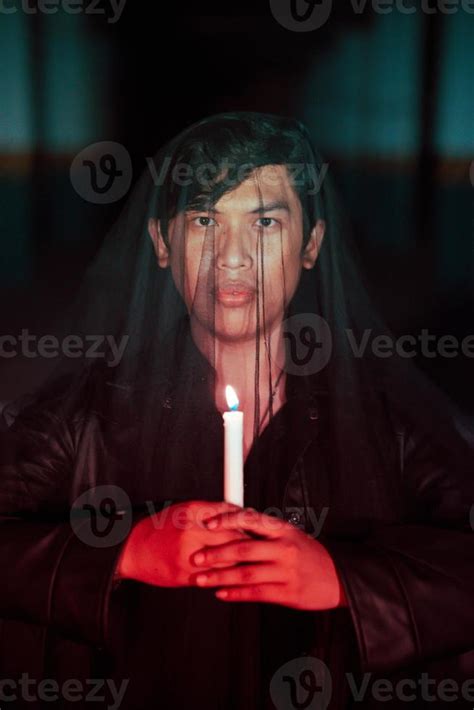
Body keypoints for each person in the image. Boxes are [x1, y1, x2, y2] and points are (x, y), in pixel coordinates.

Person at [1, 111, 474, 710]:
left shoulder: (389, 417)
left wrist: (346, 581)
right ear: (162, 243)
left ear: (311, 245)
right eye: (204, 219)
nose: (231, 258)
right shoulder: (87, 411)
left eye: (266, 222)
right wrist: (124, 554)